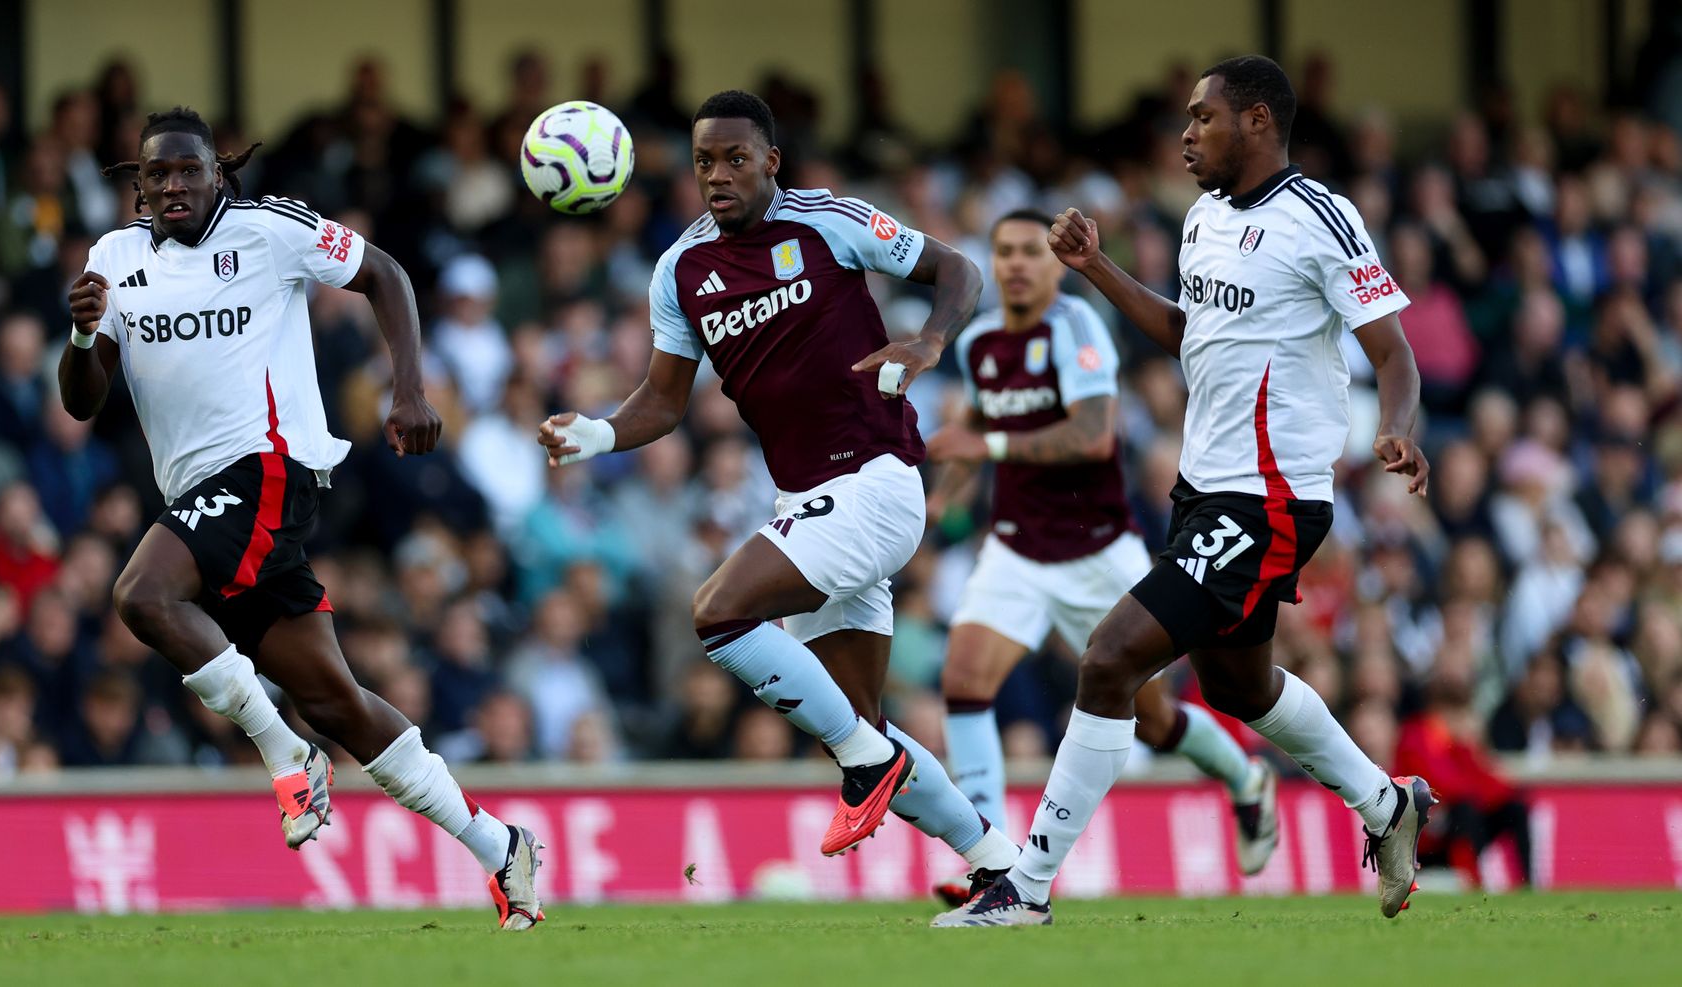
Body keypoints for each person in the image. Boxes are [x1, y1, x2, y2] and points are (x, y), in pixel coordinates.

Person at [936, 55, 1434, 927]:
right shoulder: (1202, 218)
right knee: (1239, 688)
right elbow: (1185, 332)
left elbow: (1393, 350)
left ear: (1255, 122)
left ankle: (1027, 884)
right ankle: (1386, 805)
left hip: (1271, 496)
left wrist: (1399, 425)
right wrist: (1096, 268)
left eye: (1203, 117)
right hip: (1206, 489)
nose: (1186, 133)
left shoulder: (1322, 216)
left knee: (1109, 657)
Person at [57, 108, 542, 930]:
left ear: (219, 173)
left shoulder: (270, 230)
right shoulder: (114, 260)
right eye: (158, 173)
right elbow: (82, 401)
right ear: (137, 185)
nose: (174, 184)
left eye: (189, 170)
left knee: (142, 596)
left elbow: (384, 272)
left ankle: (283, 753)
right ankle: (499, 844)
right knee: (340, 700)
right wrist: (79, 332)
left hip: (269, 468)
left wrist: (409, 387)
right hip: (202, 500)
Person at [538, 90, 1019, 875]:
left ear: (771, 161)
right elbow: (662, 400)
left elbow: (957, 268)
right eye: (703, 162)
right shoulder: (680, 270)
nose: (718, 175)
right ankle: (1003, 870)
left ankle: (867, 761)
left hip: (875, 483)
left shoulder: (828, 220)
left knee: (718, 612)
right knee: (865, 720)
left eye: (734, 158)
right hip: (809, 504)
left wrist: (932, 339)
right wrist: (595, 433)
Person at [925, 209, 1279, 907]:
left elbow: (1091, 437)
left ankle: (1245, 780)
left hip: (1097, 550)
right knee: (964, 680)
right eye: (1005, 253)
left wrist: (986, 450)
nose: (1018, 264)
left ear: (1055, 263)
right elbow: (976, 423)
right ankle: (991, 855)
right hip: (1017, 546)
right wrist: (946, 495)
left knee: (1154, 718)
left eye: (1031, 251)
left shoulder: (1078, 327)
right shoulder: (983, 343)